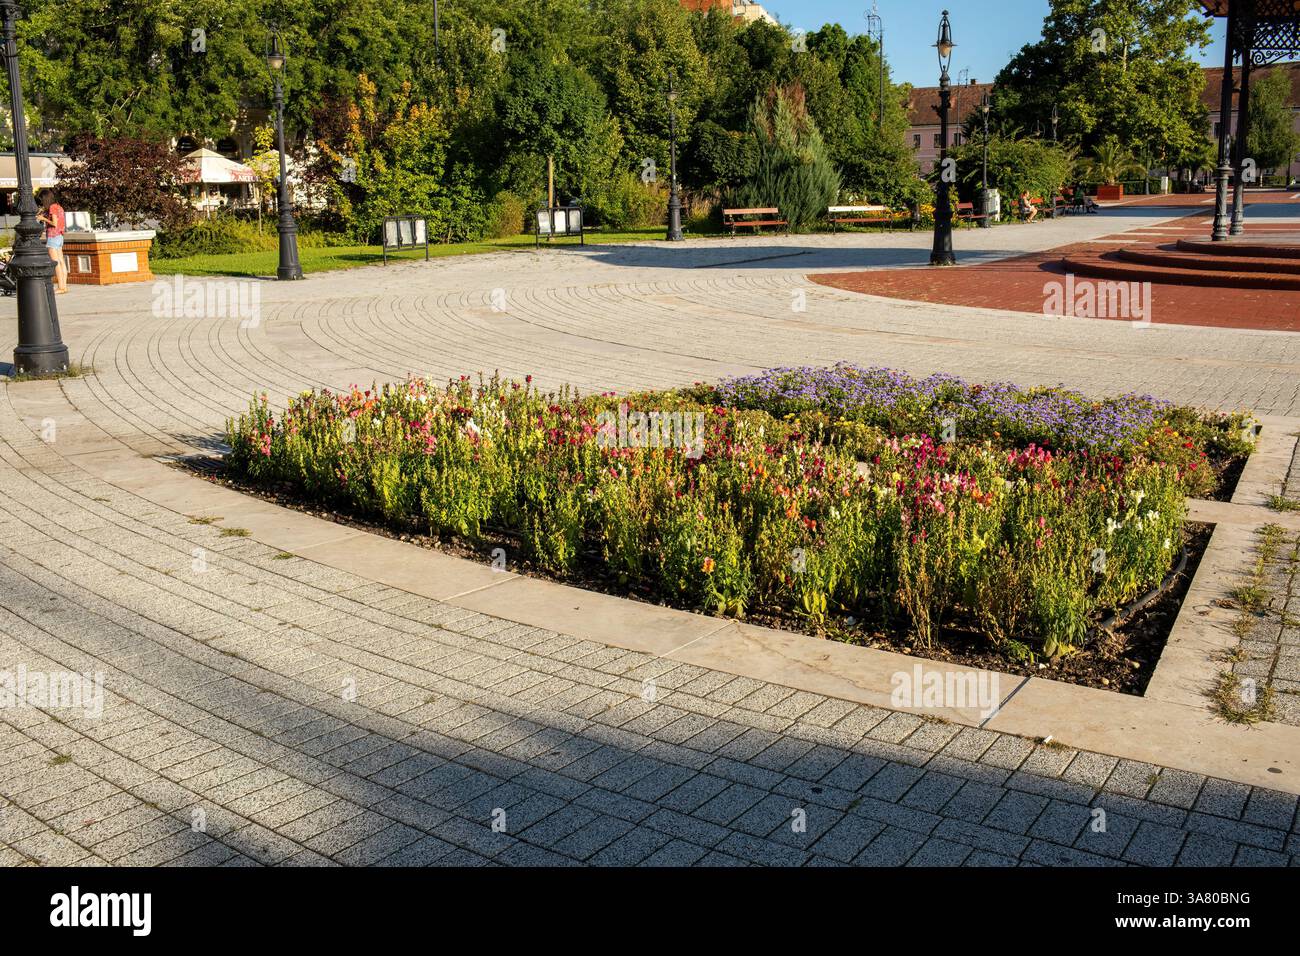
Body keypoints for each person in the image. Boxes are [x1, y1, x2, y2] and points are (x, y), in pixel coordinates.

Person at [37, 188, 68, 293]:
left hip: (53, 236)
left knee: (55, 263)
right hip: (60, 236)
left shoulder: (52, 208)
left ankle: (60, 287)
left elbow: (54, 223)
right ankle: (64, 286)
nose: (41, 201)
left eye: (41, 199)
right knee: (61, 261)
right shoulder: (58, 207)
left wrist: (43, 219)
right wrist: (44, 213)